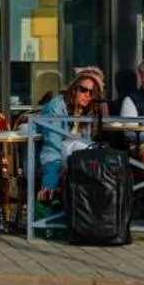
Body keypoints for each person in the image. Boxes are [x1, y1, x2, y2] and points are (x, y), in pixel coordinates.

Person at [33, 67, 105, 198]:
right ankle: (49, 199)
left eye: (92, 92)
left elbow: (86, 141)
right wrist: (49, 186)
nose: (87, 95)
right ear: (74, 89)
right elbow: (52, 147)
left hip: (73, 153)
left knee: (93, 155)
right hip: (48, 151)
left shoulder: (88, 110)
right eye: (83, 90)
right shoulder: (57, 106)